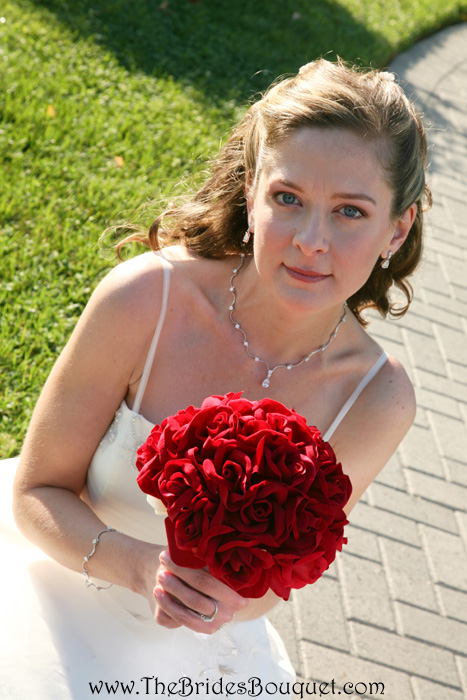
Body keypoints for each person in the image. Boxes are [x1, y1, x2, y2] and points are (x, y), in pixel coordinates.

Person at [0, 58, 430, 699]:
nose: (312, 240)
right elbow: (36, 493)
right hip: (50, 586)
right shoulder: (147, 297)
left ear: (397, 228)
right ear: (252, 191)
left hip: (186, 657)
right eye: (289, 199)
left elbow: (269, 589)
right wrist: (144, 566)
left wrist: (221, 599)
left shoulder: (379, 399)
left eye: (349, 212)